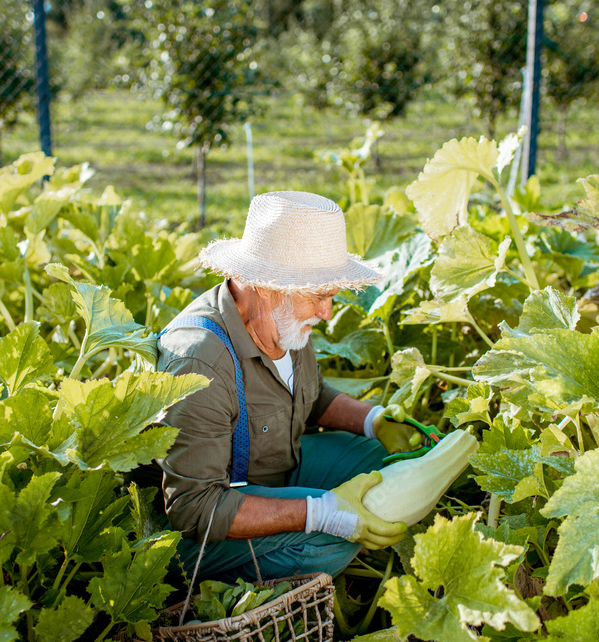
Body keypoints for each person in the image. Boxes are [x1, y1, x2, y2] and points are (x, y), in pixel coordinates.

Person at [146, 190, 418, 582]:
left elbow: (311, 394)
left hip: (277, 472)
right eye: (319, 295)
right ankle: (233, 592)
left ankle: (312, 521)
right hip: (203, 529)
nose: (326, 313)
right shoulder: (200, 361)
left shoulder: (281, 319)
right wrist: (319, 513)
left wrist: (375, 420)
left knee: (379, 459)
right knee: (331, 540)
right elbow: (195, 510)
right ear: (269, 285)